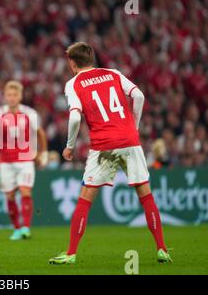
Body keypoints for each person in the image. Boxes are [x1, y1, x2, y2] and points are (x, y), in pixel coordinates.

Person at [49, 42, 172, 265]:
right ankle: (162, 249)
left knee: (86, 199)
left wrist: (69, 146)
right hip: (129, 141)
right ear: (91, 59)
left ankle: (71, 253)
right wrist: (133, 126)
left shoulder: (73, 83)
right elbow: (140, 96)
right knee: (145, 195)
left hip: (103, 145)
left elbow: (75, 117)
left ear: (72, 63)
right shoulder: (112, 73)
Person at [0, 80, 48, 241]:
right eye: (9, 94)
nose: (12, 98)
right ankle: (16, 228)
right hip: (6, 160)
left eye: (15, 94)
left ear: (20, 96)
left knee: (25, 191)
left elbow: (40, 133)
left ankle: (26, 228)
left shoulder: (29, 113)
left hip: (25, 159)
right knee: (9, 196)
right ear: (5, 96)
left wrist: (43, 153)